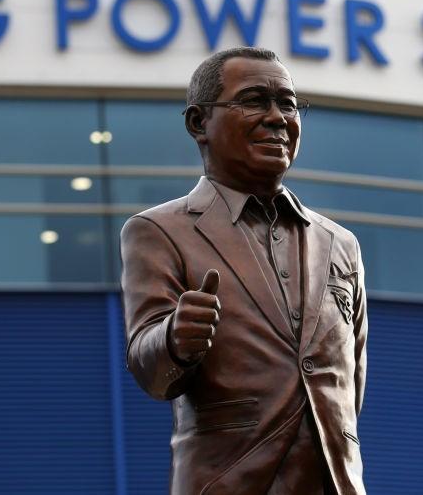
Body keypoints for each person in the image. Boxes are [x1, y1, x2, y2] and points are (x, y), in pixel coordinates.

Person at [120, 47, 368, 494]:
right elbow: (149, 368)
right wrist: (175, 339)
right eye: (255, 100)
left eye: (288, 104)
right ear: (199, 123)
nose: (278, 118)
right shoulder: (158, 231)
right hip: (227, 481)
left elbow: (352, 381)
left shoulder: (340, 244)